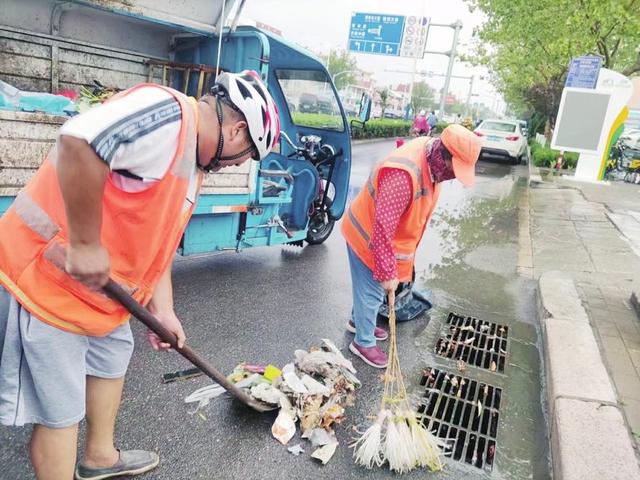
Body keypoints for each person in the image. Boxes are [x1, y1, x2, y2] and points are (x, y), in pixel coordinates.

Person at [0, 70, 280, 480]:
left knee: (112, 361)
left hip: (100, 296)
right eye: (246, 156)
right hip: (46, 281)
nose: (237, 164)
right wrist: (85, 243)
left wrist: (163, 309)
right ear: (238, 131)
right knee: (61, 410)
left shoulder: (193, 165)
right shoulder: (168, 116)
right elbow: (78, 140)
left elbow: (158, 243)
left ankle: (100, 458)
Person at [341, 125, 481, 368]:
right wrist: (387, 273)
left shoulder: (431, 158)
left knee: (369, 290)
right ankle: (362, 342)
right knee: (373, 289)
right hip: (366, 236)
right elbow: (382, 228)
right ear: (443, 155)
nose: (454, 177)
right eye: (455, 169)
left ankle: (358, 321)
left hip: (377, 235)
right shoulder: (403, 175)